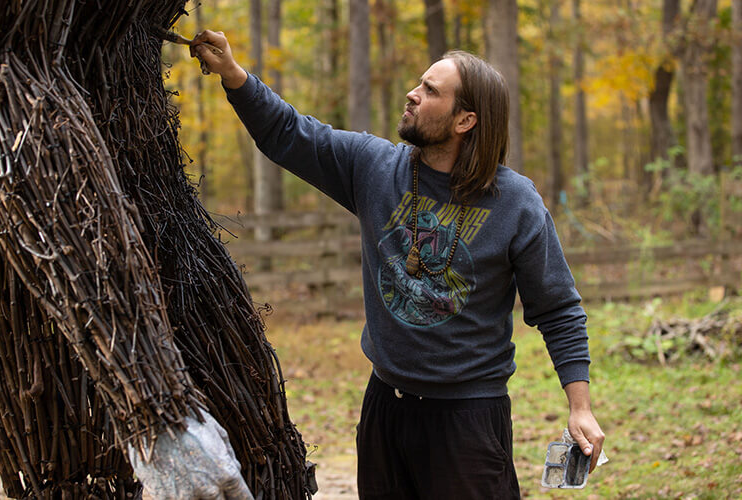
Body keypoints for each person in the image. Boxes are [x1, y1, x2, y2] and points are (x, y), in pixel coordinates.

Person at [191, 30, 605, 499]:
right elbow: (288, 133)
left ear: (464, 120)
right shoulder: (374, 167)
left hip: (468, 419)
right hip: (386, 406)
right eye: (419, 83)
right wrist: (232, 73)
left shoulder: (515, 203)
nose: (413, 93)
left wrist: (580, 407)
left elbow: (558, 308)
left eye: (430, 91)